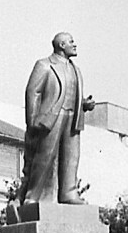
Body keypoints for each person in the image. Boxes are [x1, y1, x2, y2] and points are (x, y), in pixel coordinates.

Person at [16, 32, 96, 206]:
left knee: (71, 157)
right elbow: (33, 92)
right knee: (44, 157)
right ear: (61, 45)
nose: (75, 45)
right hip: (51, 118)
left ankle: (69, 193)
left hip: (72, 118)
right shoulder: (44, 65)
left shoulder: (76, 69)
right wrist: (33, 122)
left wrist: (84, 104)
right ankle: (33, 196)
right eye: (71, 42)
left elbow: (72, 94)